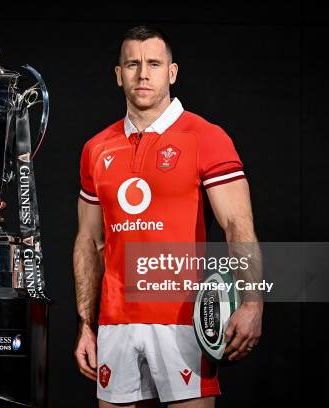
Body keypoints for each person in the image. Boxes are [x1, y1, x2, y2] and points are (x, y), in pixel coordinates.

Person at [73, 25, 263, 407]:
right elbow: (89, 241)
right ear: (118, 74)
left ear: (171, 73)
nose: (143, 73)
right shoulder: (95, 148)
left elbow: (236, 225)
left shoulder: (206, 137)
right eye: (133, 64)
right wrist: (87, 326)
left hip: (184, 321)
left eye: (154, 64)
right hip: (115, 325)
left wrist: (251, 302)